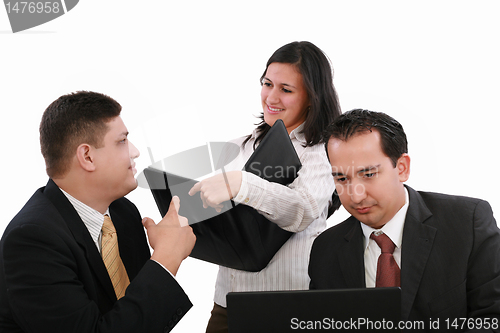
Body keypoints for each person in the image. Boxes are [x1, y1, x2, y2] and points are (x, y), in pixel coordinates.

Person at [0, 91, 196, 332]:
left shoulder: (123, 213)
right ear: (87, 156)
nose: (134, 151)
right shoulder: (33, 239)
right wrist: (167, 258)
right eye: (122, 141)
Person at [188, 41, 342, 332]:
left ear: (312, 97)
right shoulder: (238, 147)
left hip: (289, 308)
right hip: (228, 305)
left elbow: (303, 211)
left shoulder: (322, 151)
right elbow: (228, 226)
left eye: (286, 89)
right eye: (267, 83)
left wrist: (243, 184)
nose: (271, 96)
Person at [309, 109, 500, 331]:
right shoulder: (325, 250)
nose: (355, 195)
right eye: (342, 178)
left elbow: (491, 318)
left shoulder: (468, 223)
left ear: (402, 168)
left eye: (368, 174)